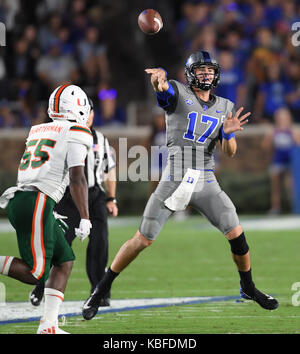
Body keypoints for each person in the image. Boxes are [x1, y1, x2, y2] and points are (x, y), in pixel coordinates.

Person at [82, 50, 279, 321]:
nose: (206, 74)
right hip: (175, 177)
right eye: (201, 70)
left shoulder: (225, 106)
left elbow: (230, 152)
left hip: (206, 180)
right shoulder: (178, 92)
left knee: (238, 236)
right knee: (142, 240)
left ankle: (248, 287)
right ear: (190, 74)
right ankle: (100, 289)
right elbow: (162, 91)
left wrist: (227, 133)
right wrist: (159, 81)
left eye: (210, 70)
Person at [0, 84, 93, 334]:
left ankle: (48, 326)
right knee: (35, 273)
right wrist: (85, 217)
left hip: (25, 199)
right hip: (37, 201)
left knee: (64, 260)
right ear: (76, 107)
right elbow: (77, 177)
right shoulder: (77, 130)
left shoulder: (39, 129)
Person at [29, 98, 118, 307]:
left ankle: (99, 291)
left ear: (93, 113)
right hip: (68, 196)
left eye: (89, 112)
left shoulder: (101, 139)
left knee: (100, 243)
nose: (86, 116)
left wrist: (111, 198)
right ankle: (41, 284)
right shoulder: (61, 136)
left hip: (94, 196)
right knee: (59, 245)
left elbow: (109, 169)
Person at [262, 107, 300, 215]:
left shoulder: (293, 130)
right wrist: (269, 137)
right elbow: (266, 147)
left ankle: (294, 206)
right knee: (276, 186)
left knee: (291, 184)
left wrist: (294, 136)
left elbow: (298, 146)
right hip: (277, 161)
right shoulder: (273, 131)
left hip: (290, 162)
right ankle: (276, 208)